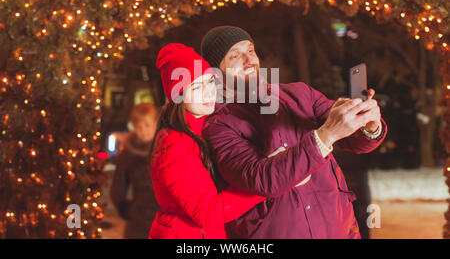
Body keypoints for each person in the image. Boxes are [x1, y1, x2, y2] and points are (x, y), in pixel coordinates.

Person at [200, 26, 388, 239]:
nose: (249, 60)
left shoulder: (299, 94)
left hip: (338, 230)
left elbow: (356, 142)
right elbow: (261, 179)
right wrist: (325, 136)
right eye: (235, 55)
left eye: (250, 50)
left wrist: (369, 125)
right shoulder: (218, 125)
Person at [149, 43, 266, 239]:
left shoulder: (209, 127)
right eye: (196, 85)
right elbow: (209, 213)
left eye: (210, 81)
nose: (209, 91)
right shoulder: (172, 145)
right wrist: (268, 182)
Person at [110, 103, 160, 239]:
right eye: (139, 126)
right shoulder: (128, 154)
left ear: (156, 123)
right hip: (139, 222)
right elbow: (117, 189)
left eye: (147, 125)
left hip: (166, 220)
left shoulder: (167, 148)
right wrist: (128, 211)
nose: (143, 130)